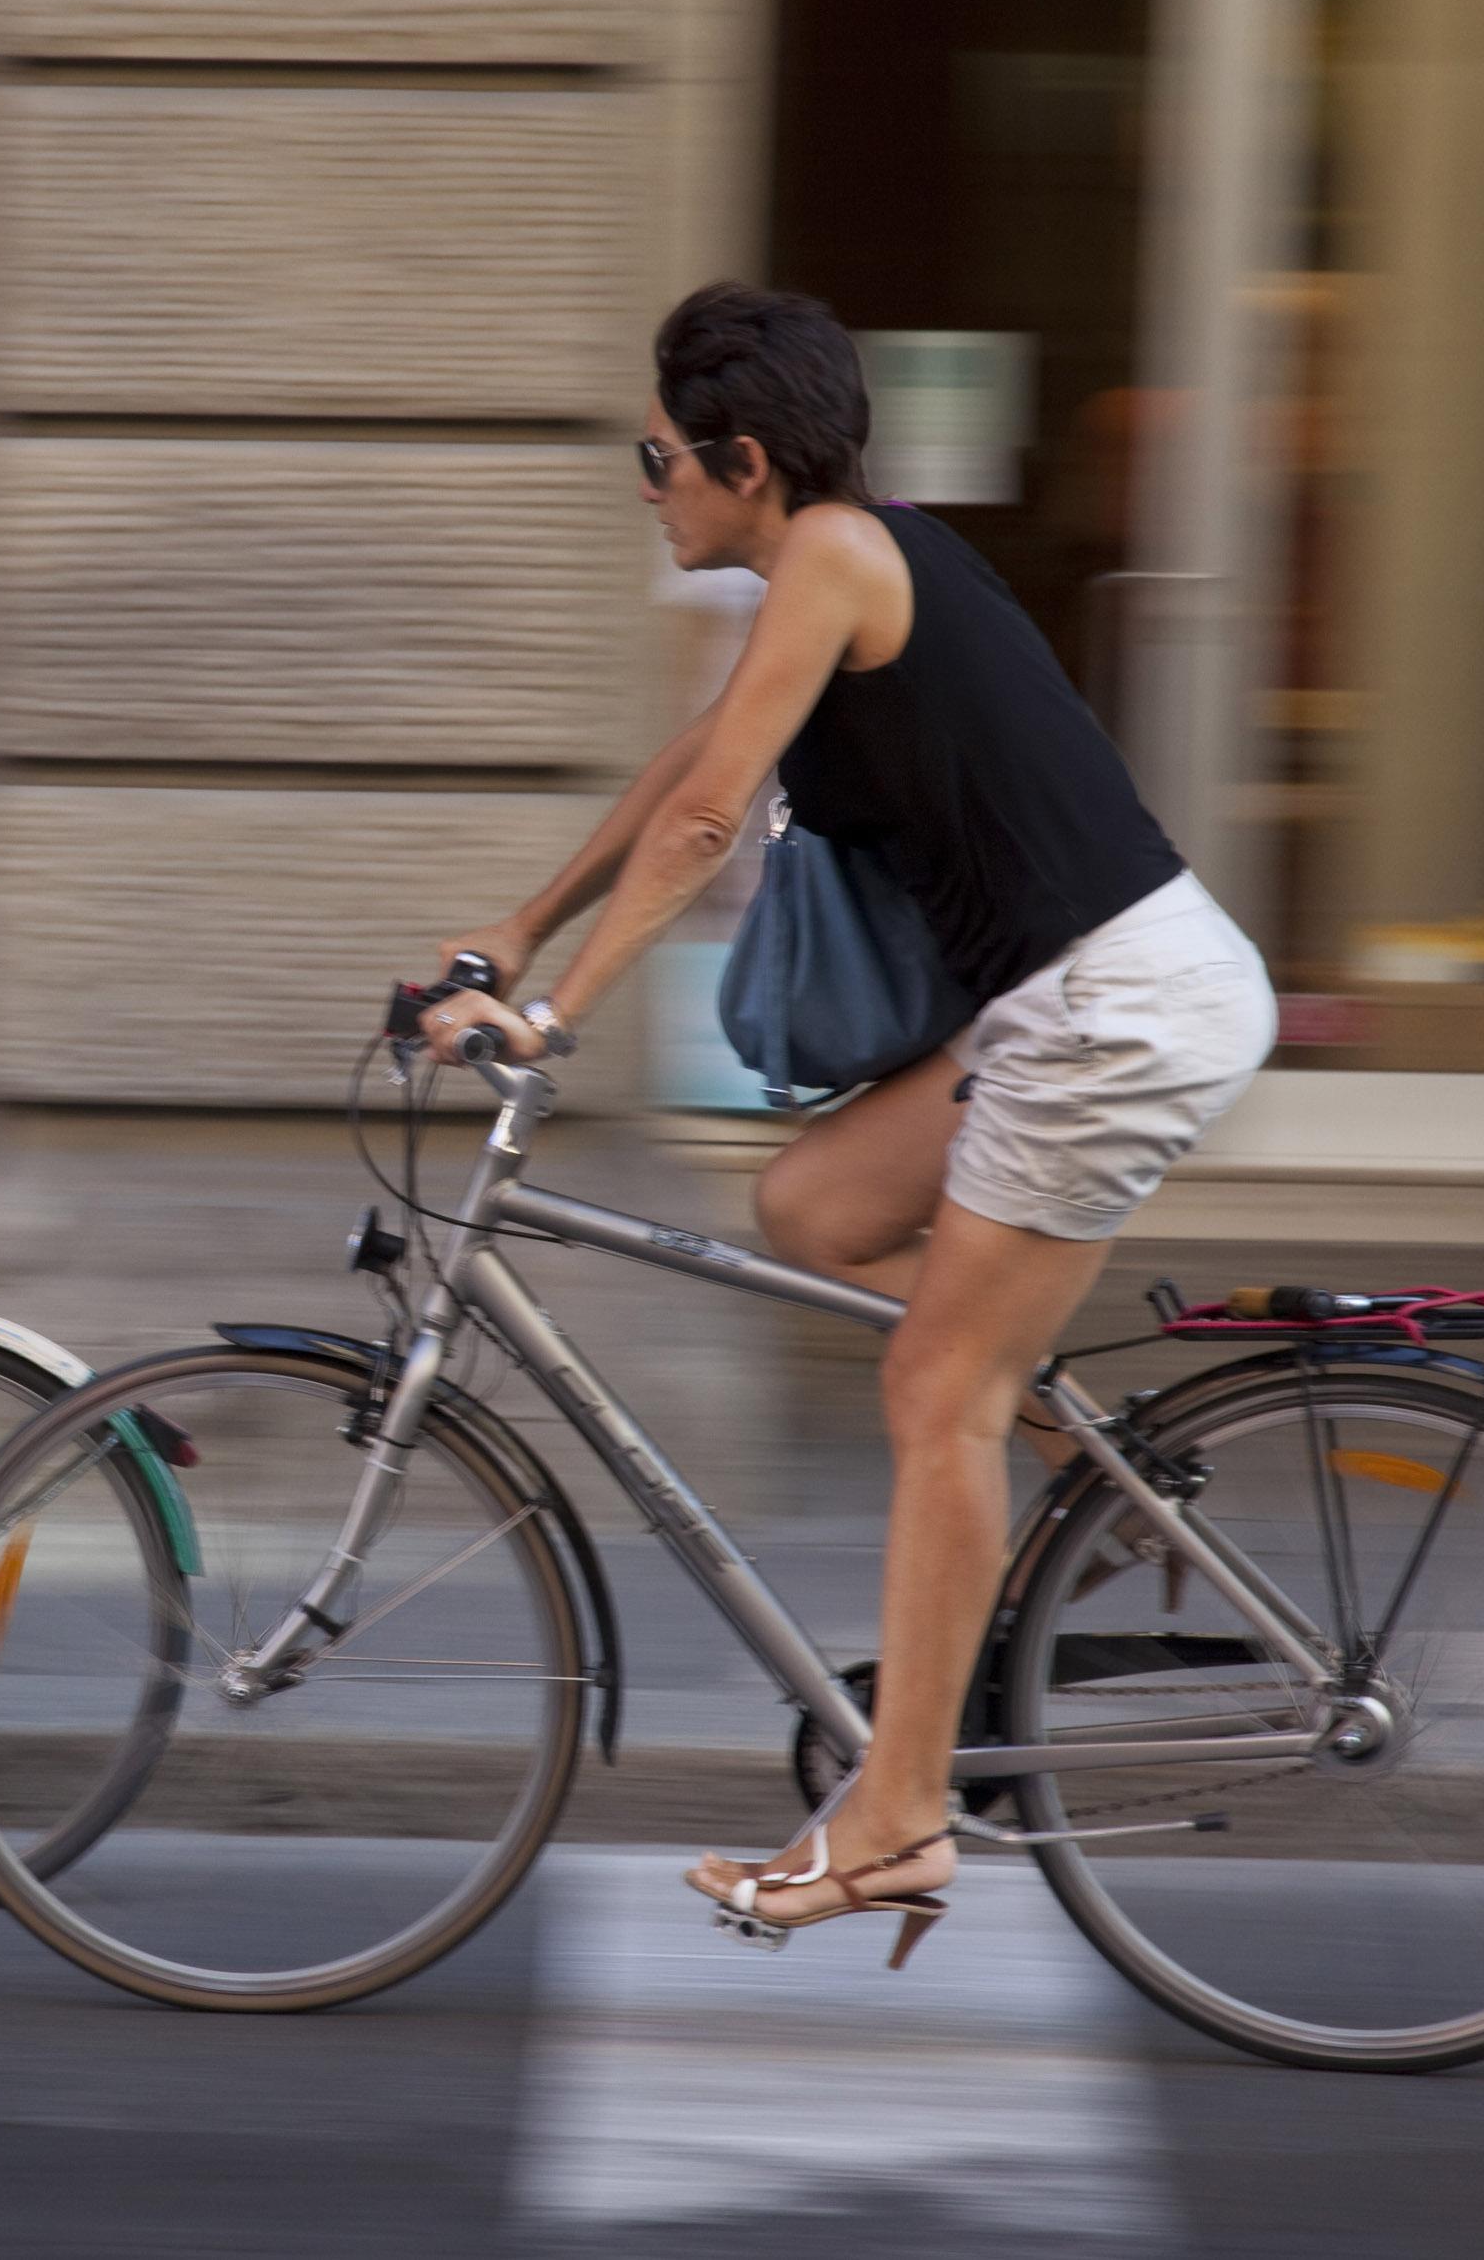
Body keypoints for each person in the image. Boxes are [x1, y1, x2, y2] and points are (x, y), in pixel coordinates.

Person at [418, 283, 1276, 1951]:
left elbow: (708, 828)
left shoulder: (836, 555)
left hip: (1112, 1007)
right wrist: (517, 926)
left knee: (929, 1390)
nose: (646, 486)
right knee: (811, 1208)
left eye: (655, 458)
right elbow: (690, 766)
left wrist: (551, 1021)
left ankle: (893, 1822)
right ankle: (1083, 1461)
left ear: (742, 459)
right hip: (1070, 997)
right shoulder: (846, 554)